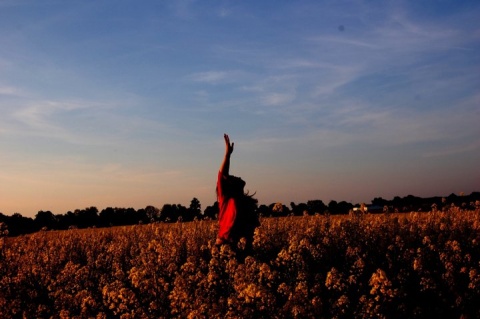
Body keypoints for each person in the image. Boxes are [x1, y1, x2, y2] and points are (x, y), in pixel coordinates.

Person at [215, 134, 259, 250]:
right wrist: (227, 155)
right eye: (233, 177)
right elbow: (223, 175)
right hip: (225, 245)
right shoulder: (226, 198)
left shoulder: (245, 203)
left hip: (241, 246)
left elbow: (252, 229)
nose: (236, 176)